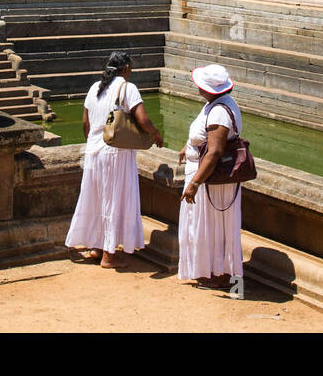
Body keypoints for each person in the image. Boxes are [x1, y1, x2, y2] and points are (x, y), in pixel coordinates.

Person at [64, 52, 162, 268]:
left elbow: (85, 122)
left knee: (96, 198)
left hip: (94, 152)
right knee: (113, 199)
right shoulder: (127, 88)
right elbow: (142, 118)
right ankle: (109, 254)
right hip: (115, 153)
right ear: (126, 68)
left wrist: (92, 143)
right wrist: (155, 134)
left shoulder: (94, 87)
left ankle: (96, 247)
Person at [178, 64, 244, 289]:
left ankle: (220, 275)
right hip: (207, 175)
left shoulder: (218, 111)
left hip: (211, 179)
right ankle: (212, 271)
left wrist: (195, 183)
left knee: (214, 227)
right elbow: (203, 138)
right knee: (209, 225)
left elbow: (215, 151)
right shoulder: (216, 105)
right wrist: (187, 148)